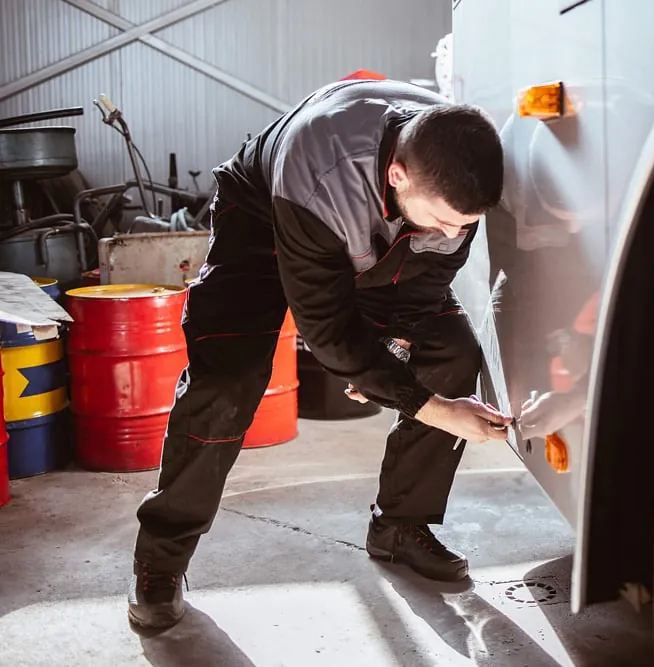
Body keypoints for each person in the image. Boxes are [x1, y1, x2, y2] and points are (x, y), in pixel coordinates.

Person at [127, 78, 512, 629]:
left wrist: (390, 353)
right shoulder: (320, 171)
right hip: (265, 214)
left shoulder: (452, 175)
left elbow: (425, 284)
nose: (458, 232)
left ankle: (399, 525)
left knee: (449, 355)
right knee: (226, 385)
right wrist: (431, 406)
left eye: (466, 224)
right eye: (449, 220)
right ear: (398, 174)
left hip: (376, 221)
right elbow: (327, 328)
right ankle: (159, 563)